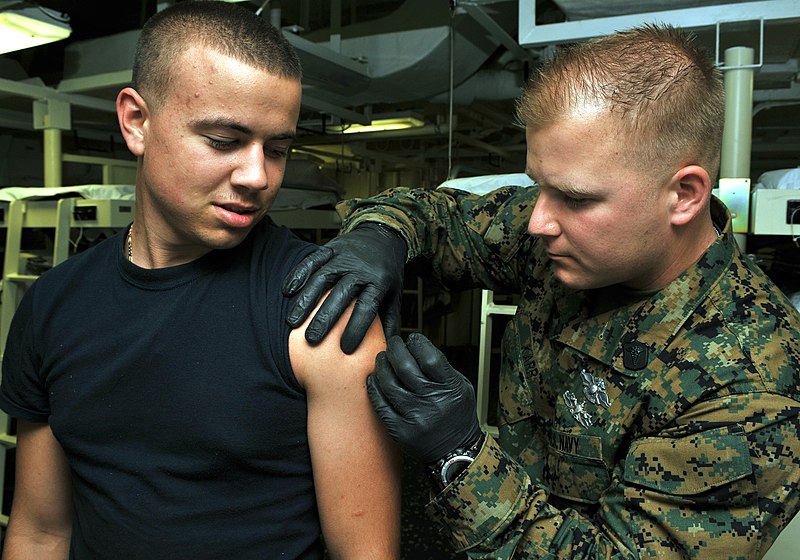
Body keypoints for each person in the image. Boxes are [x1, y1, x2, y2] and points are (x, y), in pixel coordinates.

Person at [282, 24, 800, 558]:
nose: (537, 221)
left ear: (684, 195)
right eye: (538, 187)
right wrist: (380, 235)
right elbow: (435, 215)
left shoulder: (751, 383)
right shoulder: (564, 234)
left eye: (573, 197)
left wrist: (460, 455)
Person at [0, 2, 400, 559]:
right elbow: (40, 532)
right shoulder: (50, 305)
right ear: (137, 122)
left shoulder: (320, 308)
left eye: (278, 148)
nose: (258, 176)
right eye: (223, 141)